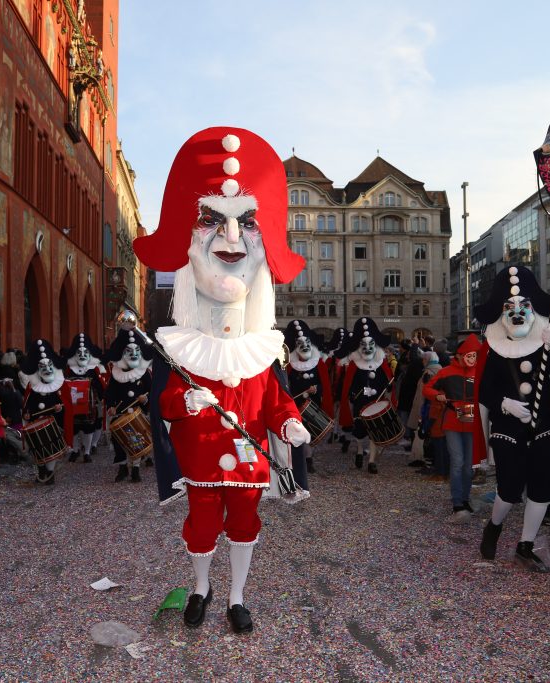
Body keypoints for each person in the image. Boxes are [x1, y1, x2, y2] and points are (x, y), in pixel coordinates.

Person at [135, 126, 310, 634]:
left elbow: (275, 400)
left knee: (246, 526)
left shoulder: (261, 348)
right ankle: (200, 587)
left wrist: (291, 426)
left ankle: (236, 596)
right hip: (203, 457)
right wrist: (187, 401)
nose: (231, 238)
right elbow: (164, 403)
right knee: (203, 526)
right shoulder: (182, 348)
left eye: (246, 223)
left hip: (251, 460)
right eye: (212, 220)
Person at [473, 266, 550, 573]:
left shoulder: (545, 343)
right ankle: (494, 525)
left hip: (542, 428)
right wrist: (505, 404)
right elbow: (484, 391)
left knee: (542, 489)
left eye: (523, 306)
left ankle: (525, 545)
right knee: (509, 490)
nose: (517, 313)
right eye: (509, 308)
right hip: (507, 428)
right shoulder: (492, 351)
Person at [424, 334, 480, 521]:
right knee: (457, 462)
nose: (472, 359)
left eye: (474, 356)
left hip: (471, 423)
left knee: (468, 466)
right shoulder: (446, 372)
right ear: (459, 355)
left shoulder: (479, 372)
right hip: (453, 422)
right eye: (469, 355)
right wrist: (437, 396)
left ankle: (465, 499)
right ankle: (457, 502)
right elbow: (428, 388)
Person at [338, 317, 396, 474]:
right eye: (364, 345)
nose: (368, 348)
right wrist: (354, 393)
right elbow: (349, 383)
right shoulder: (354, 364)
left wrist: (389, 386)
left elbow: (386, 379)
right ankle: (358, 450)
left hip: (377, 401)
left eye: (371, 345)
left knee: (374, 432)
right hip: (361, 401)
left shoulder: (381, 362)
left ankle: (371, 461)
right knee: (360, 431)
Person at [283, 319, 333, 476]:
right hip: (295, 404)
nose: (304, 347)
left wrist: (316, 388)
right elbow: (285, 385)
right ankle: (297, 460)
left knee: (311, 433)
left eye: (307, 343)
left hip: (313, 404)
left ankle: (309, 459)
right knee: (296, 434)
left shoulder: (319, 364)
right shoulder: (290, 366)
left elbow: (325, 385)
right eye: (300, 344)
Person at [103, 329, 153, 483]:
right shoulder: (116, 373)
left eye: (136, 350)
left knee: (136, 440)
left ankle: (136, 469)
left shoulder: (144, 372)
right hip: (120, 413)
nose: (133, 354)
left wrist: (145, 399)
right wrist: (110, 406)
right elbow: (110, 392)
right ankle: (123, 467)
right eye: (129, 351)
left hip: (137, 413)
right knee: (119, 442)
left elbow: (152, 390)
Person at [18, 339, 67, 485]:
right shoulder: (31, 386)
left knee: (50, 448)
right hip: (35, 422)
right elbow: (27, 403)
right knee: (37, 448)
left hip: (53, 423)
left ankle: (50, 472)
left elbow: (65, 404)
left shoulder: (59, 385)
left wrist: (59, 408)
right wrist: (26, 413)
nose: (47, 369)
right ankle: (41, 470)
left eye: (49, 365)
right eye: (42, 366)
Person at [62, 334, 107, 463]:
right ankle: (75, 450)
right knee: (74, 427)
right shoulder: (69, 369)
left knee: (88, 427)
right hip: (73, 404)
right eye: (79, 352)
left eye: (85, 352)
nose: (82, 355)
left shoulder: (94, 369)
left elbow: (100, 385)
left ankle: (87, 452)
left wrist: (103, 397)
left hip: (89, 404)